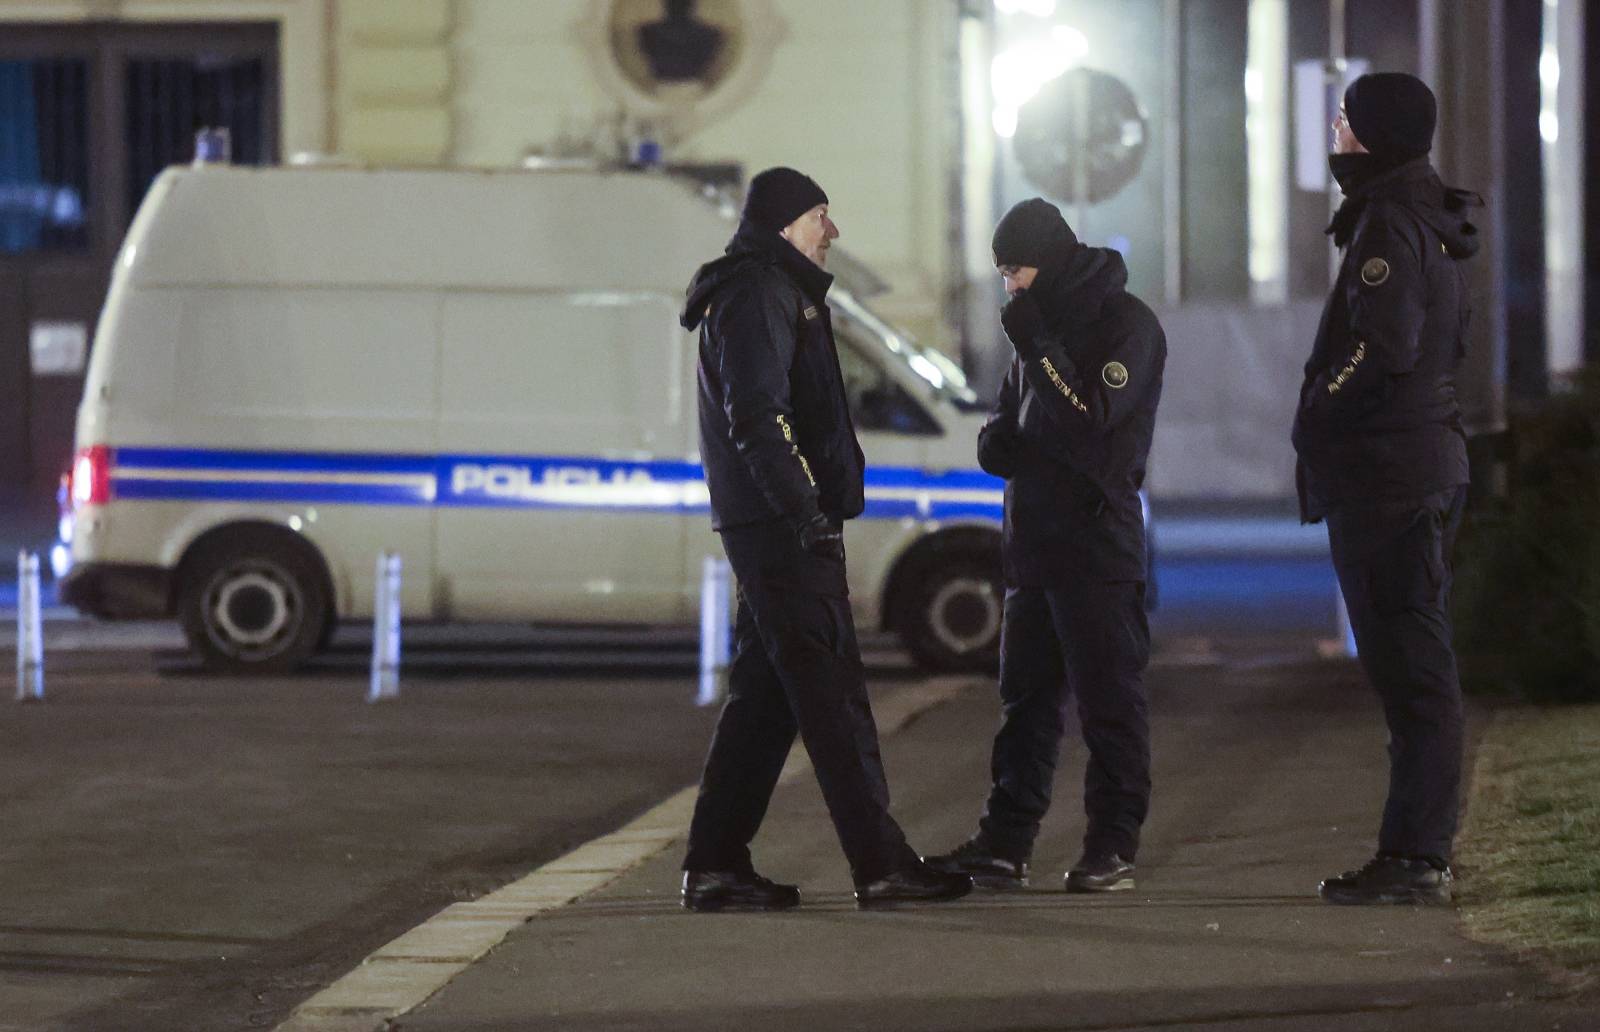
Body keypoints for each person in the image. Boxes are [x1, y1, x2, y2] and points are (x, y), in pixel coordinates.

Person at [677, 167, 973, 911]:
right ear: (785, 225)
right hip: (782, 528)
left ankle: (715, 864)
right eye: (819, 216)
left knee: (766, 702)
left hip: (774, 523)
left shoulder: (770, 292)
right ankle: (881, 866)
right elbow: (760, 416)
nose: (831, 232)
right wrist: (805, 512)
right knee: (833, 698)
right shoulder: (759, 295)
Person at [928, 198, 1165, 893]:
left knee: (1108, 704)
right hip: (1034, 546)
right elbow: (1010, 417)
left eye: (1018, 270)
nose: (1011, 286)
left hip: (1096, 547)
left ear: (1053, 260)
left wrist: (1037, 349)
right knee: (1024, 705)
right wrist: (996, 442)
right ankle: (1004, 843)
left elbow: (1093, 414)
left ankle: (1111, 845)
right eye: (1002, 273)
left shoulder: (1126, 326)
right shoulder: (1035, 329)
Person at [1292, 73, 1482, 905]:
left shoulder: (1388, 225)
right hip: (1416, 467)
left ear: (1372, 136)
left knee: (1414, 673)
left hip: (1392, 479)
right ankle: (1410, 852)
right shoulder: (1419, 217)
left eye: (1344, 121)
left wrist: (1317, 412)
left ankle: (1418, 859)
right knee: (1413, 670)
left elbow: (1383, 348)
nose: (1333, 132)